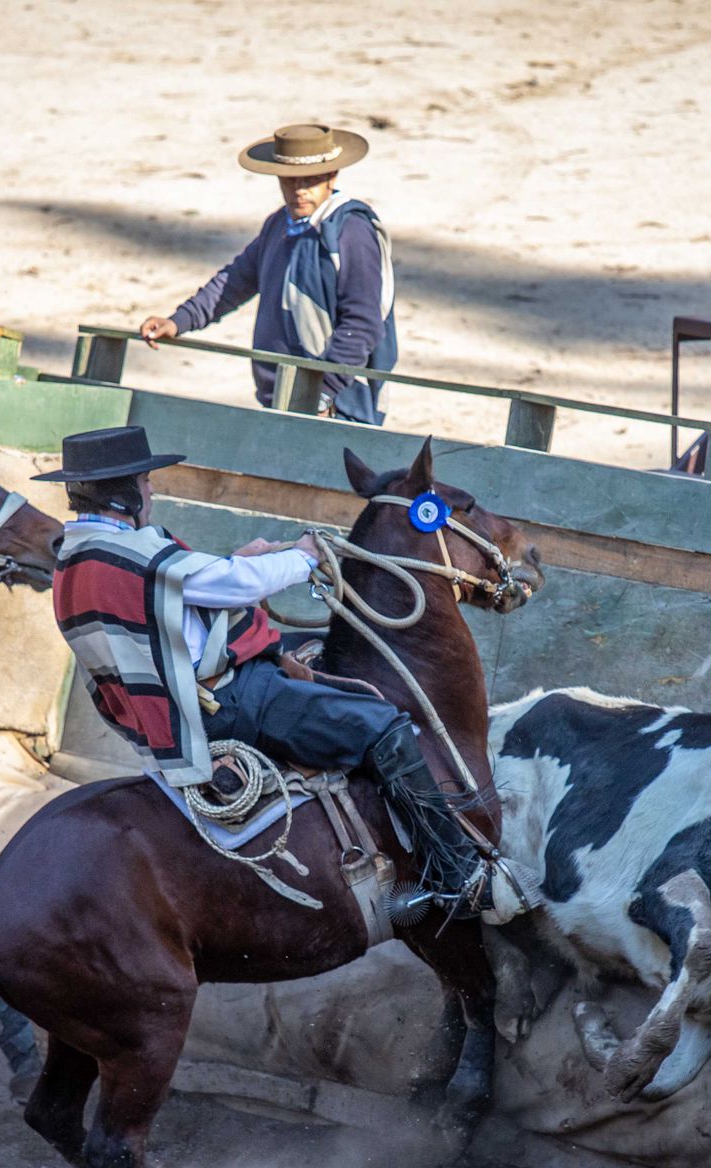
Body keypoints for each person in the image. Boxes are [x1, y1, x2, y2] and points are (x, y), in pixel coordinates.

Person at [33, 425, 482, 910]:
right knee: (385, 727)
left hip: (172, 705)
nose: (152, 489)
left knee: (311, 658)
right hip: (225, 701)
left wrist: (235, 561)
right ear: (121, 494)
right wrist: (302, 557)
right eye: (144, 481)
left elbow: (178, 598)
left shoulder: (78, 559)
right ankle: (459, 874)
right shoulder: (127, 553)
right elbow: (228, 586)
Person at [138, 123, 399, 425]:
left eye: (311, 180)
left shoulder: (351, 231)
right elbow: (233, 281)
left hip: (339, 404)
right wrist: (179, 320)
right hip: (283, 396)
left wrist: (323, 393)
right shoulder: (278, 225)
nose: (299, 191)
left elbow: (363, 325)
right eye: (290, 181)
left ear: (332, 177)